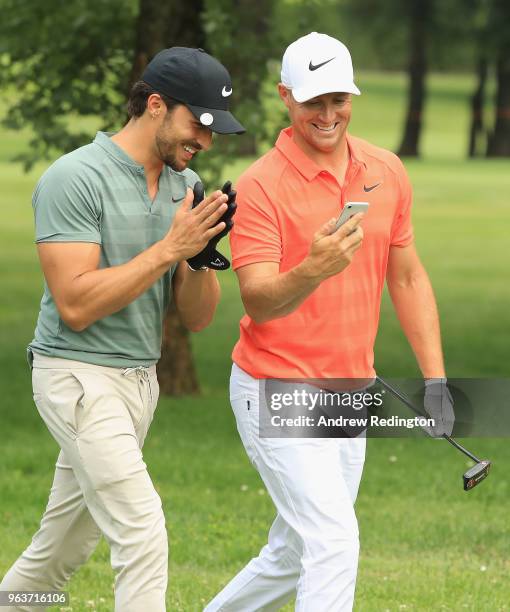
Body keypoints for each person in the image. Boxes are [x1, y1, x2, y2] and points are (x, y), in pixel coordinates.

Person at [205, 32, 453, 611]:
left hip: (349, 392)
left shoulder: (386, 171)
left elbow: (409, 279)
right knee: (333, 542)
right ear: (285, 97)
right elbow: (260, 301)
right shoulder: (259, 186)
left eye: (338, 99)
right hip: (275, 386)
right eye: (313, 100)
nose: (327, 114)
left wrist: (436, 381)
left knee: (295, 553)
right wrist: (312, 269)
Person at [0, 47, 244, 612]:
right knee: (141, 529)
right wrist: (169, 248)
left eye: (214, 131)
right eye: (197, 124)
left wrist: (202, 254)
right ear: (155, 105)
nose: (204, 142)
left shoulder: (188, 185)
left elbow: (198, 317)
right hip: (76, 377)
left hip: (139, 384)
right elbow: (76, 304)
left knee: (60, 549)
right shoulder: (74, 178)